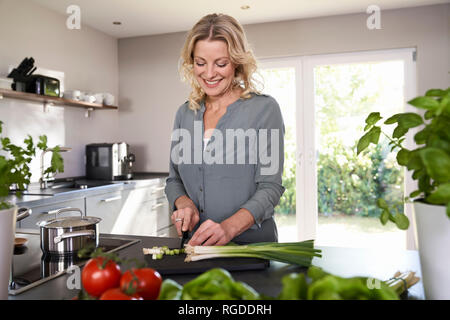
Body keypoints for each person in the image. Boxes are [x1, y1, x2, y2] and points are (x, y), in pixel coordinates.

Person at [165, 13, 285, 246]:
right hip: (196, 247)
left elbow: (270, 187)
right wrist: (184, 203)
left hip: (251, 247)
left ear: (237, 62)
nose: (209, 74)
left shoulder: (264, 109)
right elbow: (174, 180)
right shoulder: (184, 113)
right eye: (200, 63)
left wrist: (228, 229)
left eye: (221, 63)